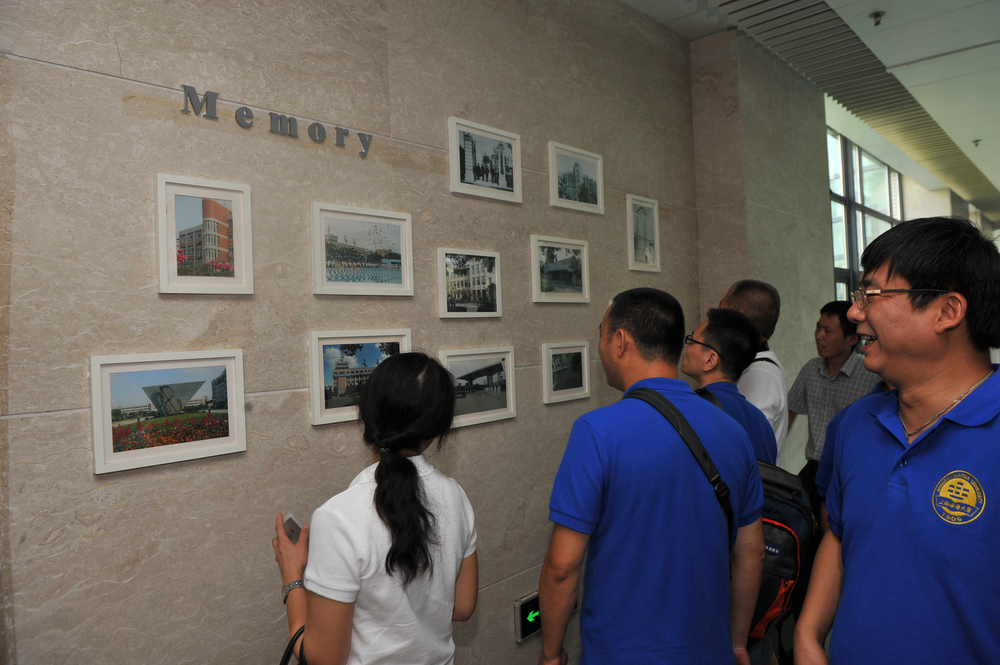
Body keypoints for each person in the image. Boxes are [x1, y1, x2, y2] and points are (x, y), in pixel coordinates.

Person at [795, 217, 1000, 664]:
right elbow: (840, 534)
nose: (855, 313)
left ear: (947, 311)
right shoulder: (854, 424)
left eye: (871, 294)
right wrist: (808, 635)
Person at [538, 288, 765, 665]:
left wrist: (550, 654)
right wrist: (737, 642)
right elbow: (752, 552)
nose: (600, 346)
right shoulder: (733, 432)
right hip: (709, 650)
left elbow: (562, 568)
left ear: (620, 341)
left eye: (601, 334)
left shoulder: (597, 432)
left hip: (621, 653)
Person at [272, 353, 479, 665]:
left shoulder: (339, 518)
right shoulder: (456, 495)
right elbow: (462, 607)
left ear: (366, 415)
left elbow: (323, 659)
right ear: (437, 428)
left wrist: (292, 575)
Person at [787, 301, 880, 515]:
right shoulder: (811, 370)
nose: (819, 336)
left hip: (849, 474)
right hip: (812, 470)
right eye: (818, 327)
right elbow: (790, 413)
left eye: (827, 331)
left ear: (852, 339)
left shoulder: (870, 377)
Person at [681, 308, 778, 464]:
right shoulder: (761, 421)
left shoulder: (693, 410)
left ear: (710, 360)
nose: (686, 347)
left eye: (692, 341)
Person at [719, 280, 788, 467]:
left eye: (720, 310)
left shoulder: (759, 373)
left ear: (739, 318)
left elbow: (747, 445)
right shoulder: (753, 365)